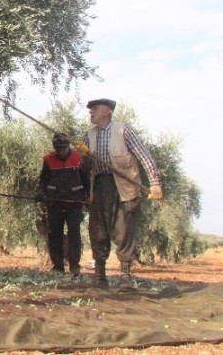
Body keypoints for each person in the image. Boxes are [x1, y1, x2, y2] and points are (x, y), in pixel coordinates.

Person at [82, 98, 163, 290]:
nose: (90, 112)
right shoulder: (88, 136)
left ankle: (126, 278)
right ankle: (99, 276)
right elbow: (84, 167)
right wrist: (81, 156)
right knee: (97, 230)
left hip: (123, 187)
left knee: (124, 230)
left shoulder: (122, 130)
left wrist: (155, 183)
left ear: (107, 112)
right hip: (99, 186)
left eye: (94, 109)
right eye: (90, 109)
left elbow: (144, 155)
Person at [35, 132, 90, 276]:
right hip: (54, 203)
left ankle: (74, 266)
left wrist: (89, 196)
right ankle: (58, 266)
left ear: (68, 146)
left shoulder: (78, 158)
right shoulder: (48, 160)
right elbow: (43, 180)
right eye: (57, 149)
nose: (60, 152)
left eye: (63, 149)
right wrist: (40, 192)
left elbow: (86, 181)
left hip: (74, 203)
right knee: (54, 234)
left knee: (74, 234)